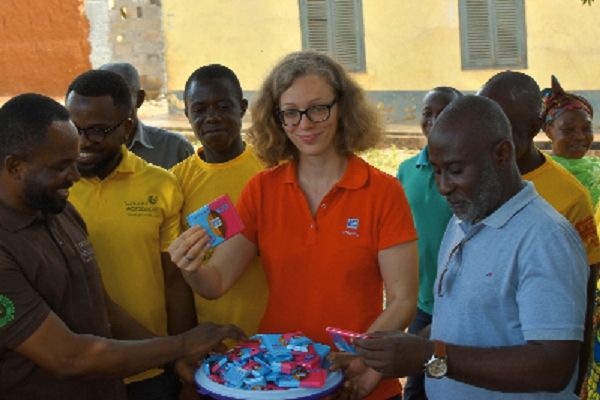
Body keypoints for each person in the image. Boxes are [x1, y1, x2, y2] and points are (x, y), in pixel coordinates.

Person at [168, 50, 418, 400]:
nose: (305, 123)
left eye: (318, 108)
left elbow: (403, 298)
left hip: (357, 380)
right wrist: (190, 266)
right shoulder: (261, 189)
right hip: (278, 382)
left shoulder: (382, 191)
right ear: (278, 118)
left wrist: (363, 360)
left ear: (342, 107)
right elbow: (216, 282)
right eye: (291, 113)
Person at [0, 93, 244, 400]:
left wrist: (173, 357)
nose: (74, 177)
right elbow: (67, 358)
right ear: (15, 166)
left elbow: (103, 307)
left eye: (74, 163)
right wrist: (182, 344)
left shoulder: (60, 212)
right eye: (61, 166)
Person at [354, 95, 589, 399]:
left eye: (454, 170)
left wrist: (431, 355)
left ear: (503, 154)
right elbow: (457, 322)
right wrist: (389, 353)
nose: (442, 186)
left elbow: (552, 366)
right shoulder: (463, 220)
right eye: (437, 170)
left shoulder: (544, 239)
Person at [65, 70, 196, 400]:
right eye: (73, 129)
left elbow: (174, 281)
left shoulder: (160, 185)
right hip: (76, 366)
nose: (82, 142)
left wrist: (179, 354)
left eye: (97, 131)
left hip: (150, 366)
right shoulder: (51, 189)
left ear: (126, 128)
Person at [479, 71, 600, 393]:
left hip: (537, 359)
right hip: (478, 350)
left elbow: (585, 290)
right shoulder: (474, 179)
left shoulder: (570, 197)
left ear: (534, 129)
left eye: (503, 128)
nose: (489, 138)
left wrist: (579, 374)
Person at [170, 64, 268, 396]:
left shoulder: (272, 170)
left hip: (273, 336)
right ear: (186, 114)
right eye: (199, 109)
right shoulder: (177, 182)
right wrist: (187, 343)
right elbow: (178, 274)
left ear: (242, 108)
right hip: (212, 344)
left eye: (223, 106)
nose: (212, 117)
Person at [396, 86, 461, 400]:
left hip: (459, 300)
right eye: (427, 113)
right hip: (421, 300)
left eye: (443, 113)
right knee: (416, 382)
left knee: (452, 376)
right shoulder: (407, 170)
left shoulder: (468, 173)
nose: (434, 120)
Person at [99, 62, 194, 169]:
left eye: (120, 94)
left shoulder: (174, 149)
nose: (109, 102)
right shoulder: (83, 151)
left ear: (139, 99)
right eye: (101, 94)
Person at [541, 75, 600, 207]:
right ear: (549, 131)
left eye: (586, 128)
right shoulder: (542, 174)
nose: (580, 136)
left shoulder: (596, 167)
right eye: (568, 130)